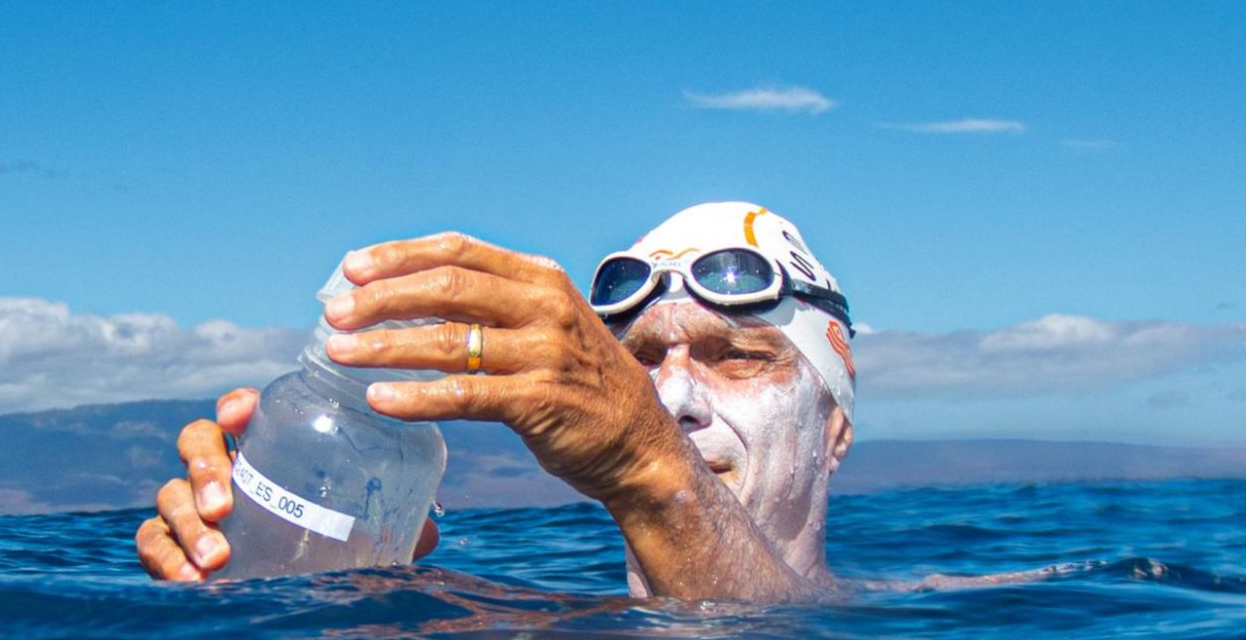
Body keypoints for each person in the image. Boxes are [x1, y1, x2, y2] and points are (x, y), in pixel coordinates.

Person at [136, 201, 858, 603]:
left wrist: (647, 466)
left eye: (734, 357)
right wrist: (255, 562)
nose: (672, 399)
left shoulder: (952, 621)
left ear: (835, 429)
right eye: (637, 363)